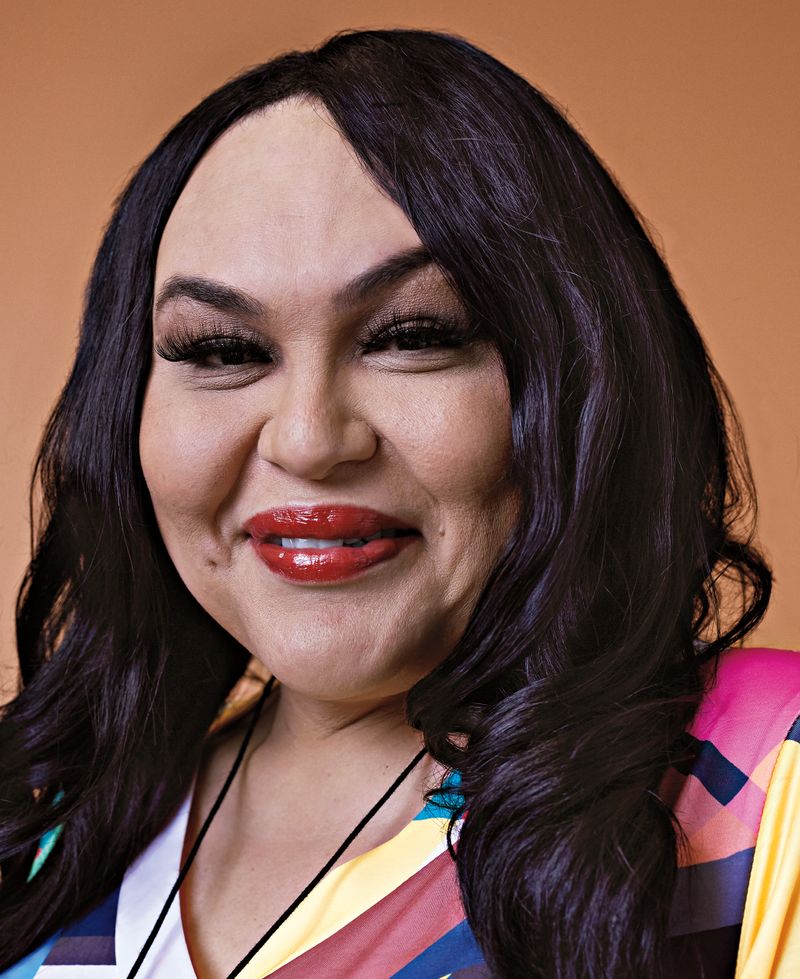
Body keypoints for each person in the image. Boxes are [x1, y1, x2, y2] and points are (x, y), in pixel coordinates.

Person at [0, 26, 797, 979]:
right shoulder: (40, 826)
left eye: (412, 335)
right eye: (220, 351)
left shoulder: (758, 780)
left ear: (578, 379)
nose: (306, 438)